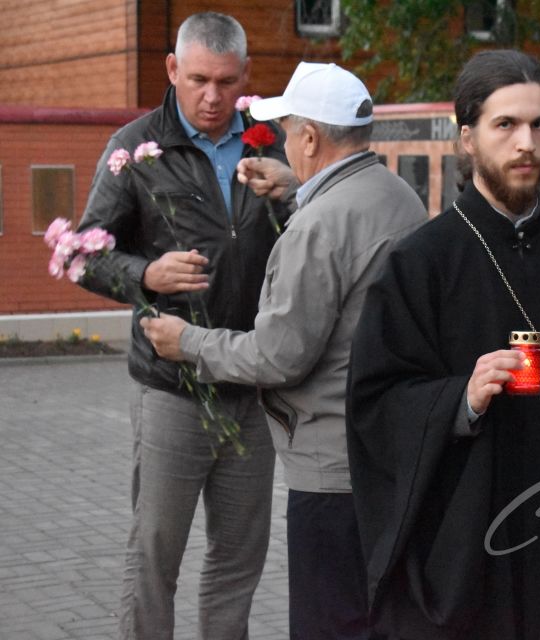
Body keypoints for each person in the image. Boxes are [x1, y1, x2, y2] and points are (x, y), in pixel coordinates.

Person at [346, 50, 540, 640]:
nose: (526, 143)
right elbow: (377, 401)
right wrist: (460, 400)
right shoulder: (421, 263)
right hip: (468, 541)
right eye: (506, 125)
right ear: (466, 137)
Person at [140, 62, 427, 639]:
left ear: (312, 138)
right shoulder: (399, 195)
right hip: (395, 454)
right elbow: (355, 230)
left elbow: (277, 357)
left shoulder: (317, 226)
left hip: (330, 466)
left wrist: (187, 342)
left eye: (290, 131)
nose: (285, 142)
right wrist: (299, 187)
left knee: (329, 622)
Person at [77, 12, 287, 639]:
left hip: (253, 385)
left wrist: (295, 189)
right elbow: (83, 253)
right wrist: (146, 275)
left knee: (237, 561)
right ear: (173, 70)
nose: (213, 96)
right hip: (174, 388)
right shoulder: (134, 147)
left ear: (245, 75)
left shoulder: (271, 144)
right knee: (154, 558)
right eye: (198, 79)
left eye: (226, 81)